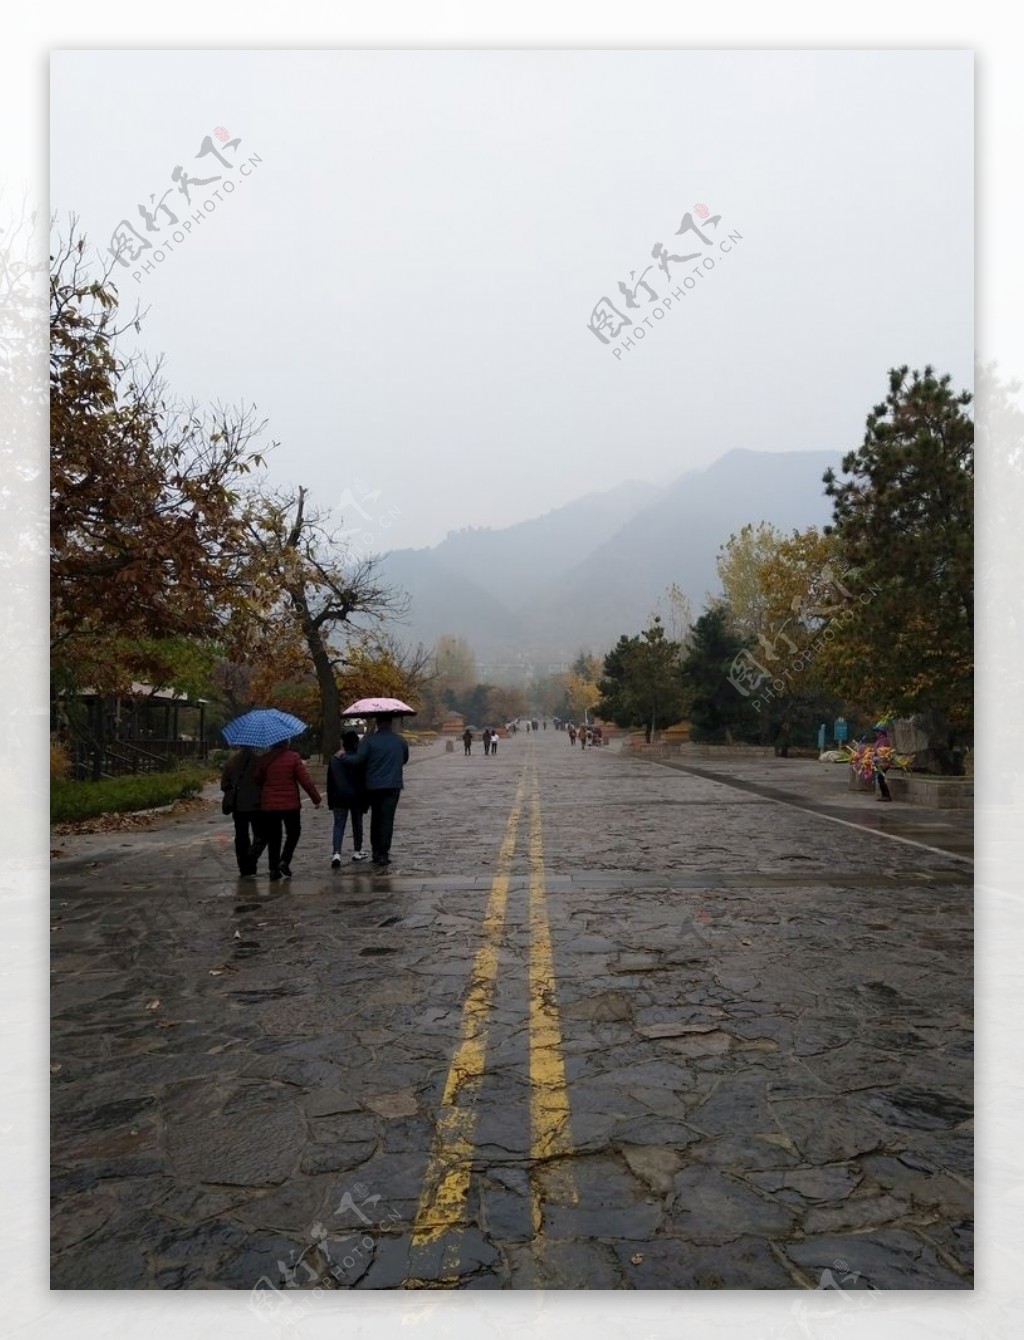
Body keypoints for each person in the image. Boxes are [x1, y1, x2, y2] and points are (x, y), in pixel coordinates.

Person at [343, 714, 409, 865]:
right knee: (387, 819)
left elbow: (358, 760)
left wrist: (342, 757)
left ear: (378, 723)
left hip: (373, 785)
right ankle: (384, 853)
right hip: (393, 784)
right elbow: (404, 759)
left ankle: (376, 851)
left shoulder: (369, 741)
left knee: (376, 818)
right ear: (391, 723)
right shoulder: (400, 741)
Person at [253, 738, 322, 880]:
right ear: (286, 743)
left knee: (274, 837)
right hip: (290, 805)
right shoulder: (293, 757)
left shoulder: (265, 759)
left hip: (270, 805)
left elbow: (256, 778)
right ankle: (285, 860)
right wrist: (316, 798)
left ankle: (273, 869)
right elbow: (305, 780)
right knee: (294, 832)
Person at [221, 745, 266, 878]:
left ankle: (243, 867)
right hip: (256, 804)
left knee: (241, 836)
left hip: (238, 805)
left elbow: (224, 785)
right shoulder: (260, 762)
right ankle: (252, 859)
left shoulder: (231, 762)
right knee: (261, 834)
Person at [327, 730, 369, 866]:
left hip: (338, 796)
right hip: (356, 796)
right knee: (357, 824)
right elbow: (364, 780)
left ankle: (336, 853)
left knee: (338, 825)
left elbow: (330, 782)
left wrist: (330, 801)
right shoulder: (359, 759)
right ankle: (357, 850)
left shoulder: (334, 760)